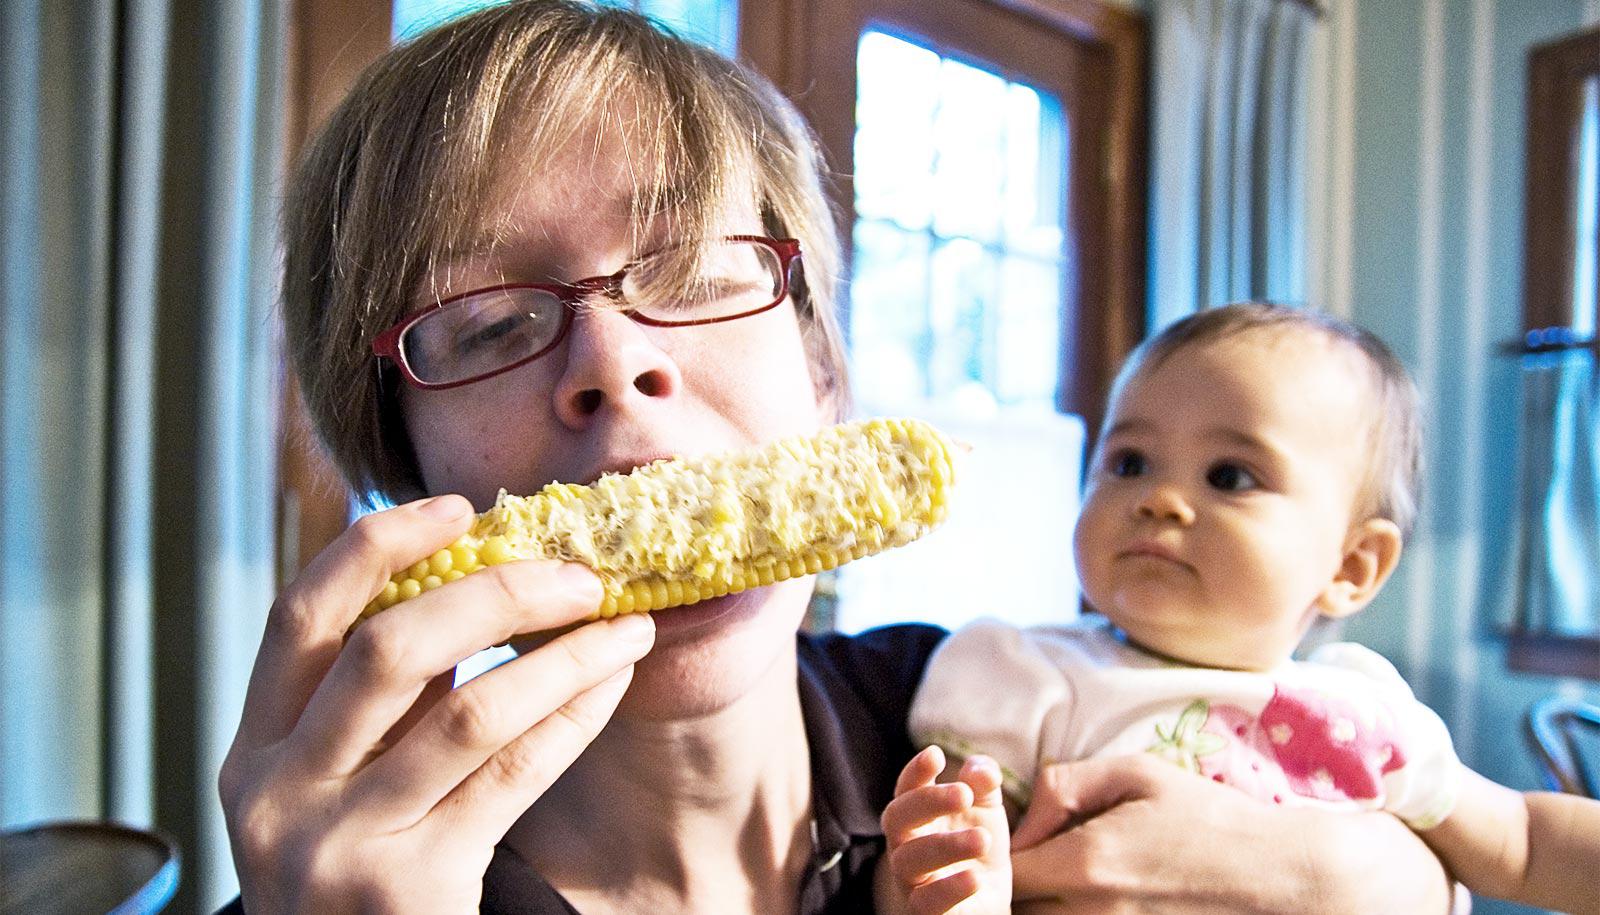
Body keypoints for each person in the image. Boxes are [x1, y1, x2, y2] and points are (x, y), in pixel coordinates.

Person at [217, 3, 1463, 911]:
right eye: (487, 323)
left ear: (825, 380)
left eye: (700, 275)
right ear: (406, 466)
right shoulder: (331, 886)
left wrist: (1389, 878)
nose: (611, 361)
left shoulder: (1004, 728)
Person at [882, 302, 1600, 915]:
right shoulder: (1029, 676)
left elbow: (1525, 838)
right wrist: (940, 876)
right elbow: (925, 873)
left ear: (1352, 566)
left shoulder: (1366, 713)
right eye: (1129, 461)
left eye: (1230, 475)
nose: (1158, 497)